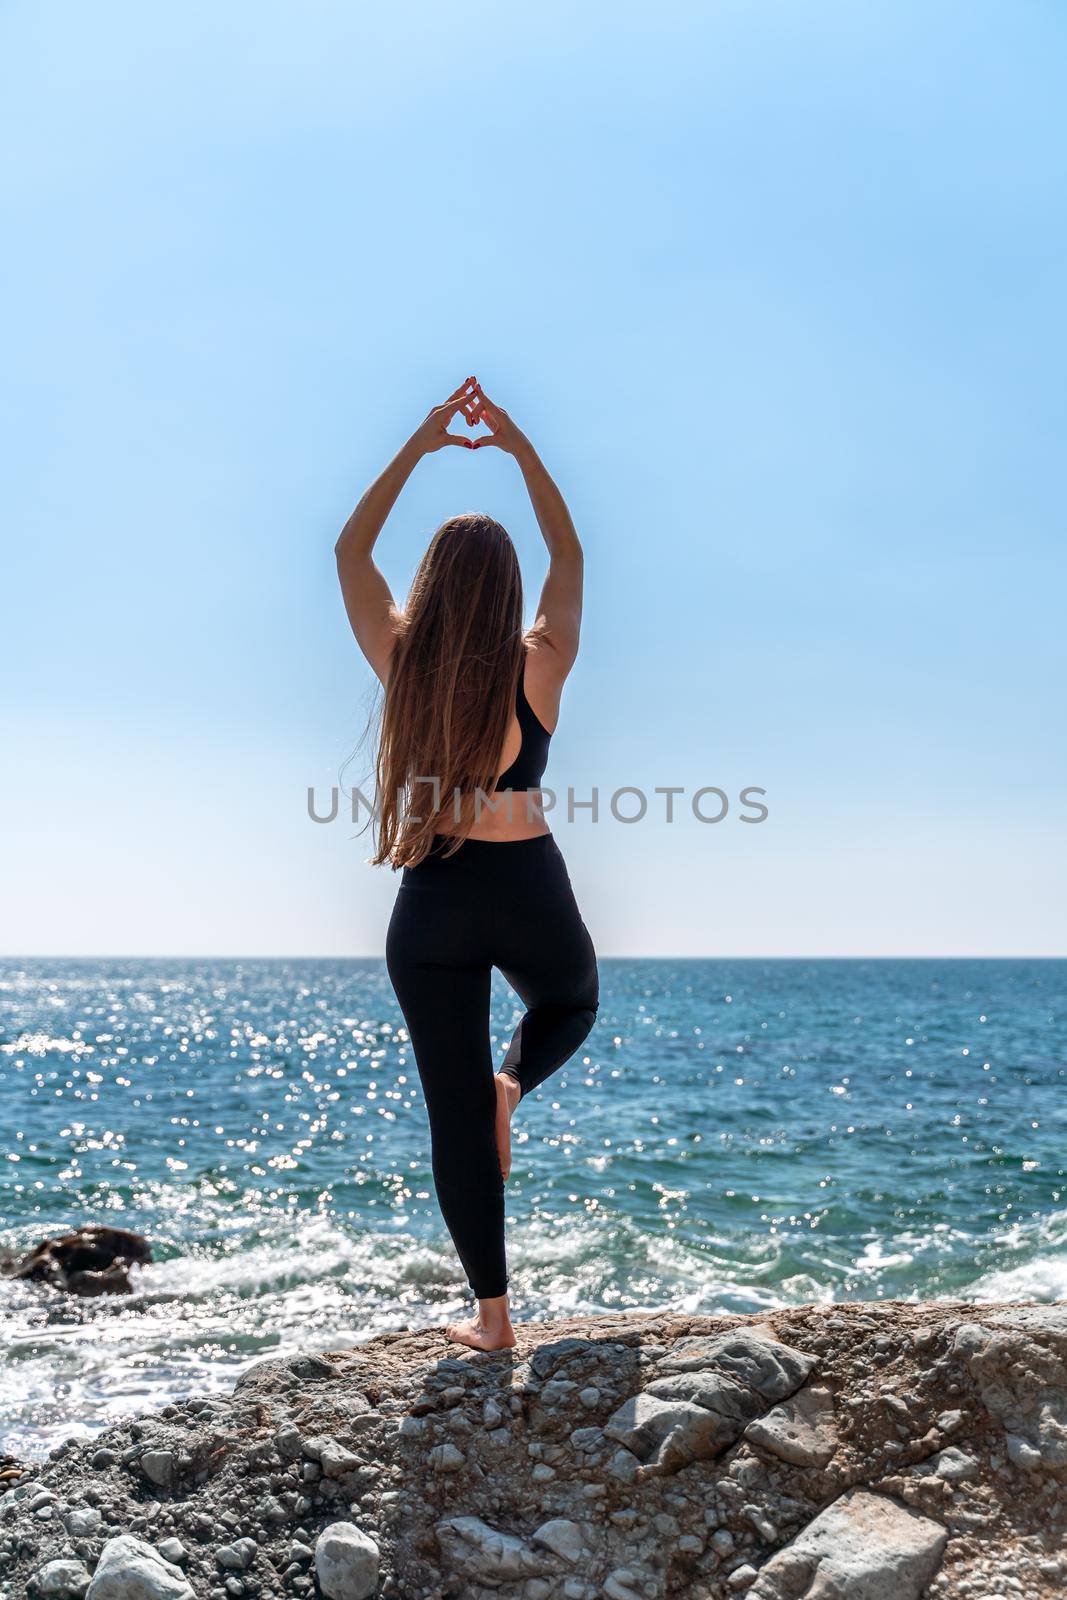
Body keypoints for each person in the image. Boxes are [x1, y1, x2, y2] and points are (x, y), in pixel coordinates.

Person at [335, 377, 599, 1350]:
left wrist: (418, 442)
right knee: (567, 1005)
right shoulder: (542, 660)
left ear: (434, 583)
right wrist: (520, 447)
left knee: (451, 1118)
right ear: (506, 590)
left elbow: (349, 551)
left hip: (433, 897)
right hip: (526, 881)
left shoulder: (402, 660)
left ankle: (492, 1319)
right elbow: (568, 550)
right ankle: (511, 1085)